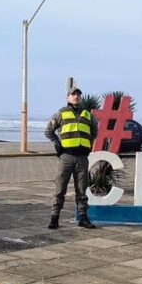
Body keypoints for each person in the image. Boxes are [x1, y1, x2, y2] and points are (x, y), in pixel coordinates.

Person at [45, 86, 99, 229]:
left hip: (82, 158)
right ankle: (54, 218)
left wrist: (88, 145)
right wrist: (57, 143)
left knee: (82, 189)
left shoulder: (88, 115)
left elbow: (94, 132)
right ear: (68, 98)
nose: (76, 97)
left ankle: (83, 217)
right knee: (60, 188)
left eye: (78, 95)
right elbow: (48, 131)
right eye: (73, 94)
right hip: (66, 157)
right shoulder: (61, 113)